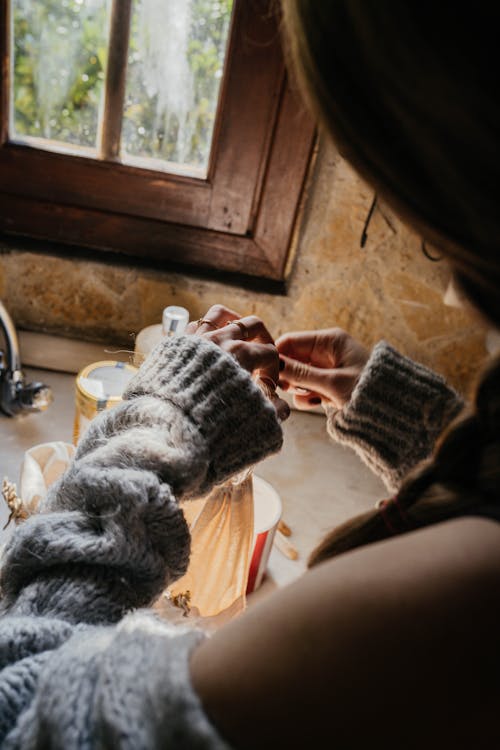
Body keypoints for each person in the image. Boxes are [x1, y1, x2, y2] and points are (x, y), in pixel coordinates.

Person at [1, 1, 500, 747]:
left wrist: (162, 423)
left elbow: (23, 704)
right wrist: (403, 411)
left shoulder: (454, 604)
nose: (439, 278)